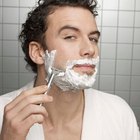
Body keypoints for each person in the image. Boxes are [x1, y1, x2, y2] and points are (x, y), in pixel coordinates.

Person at [0, 0, 139, 140]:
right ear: (38, 52)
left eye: (93, 39)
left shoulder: (119, 113)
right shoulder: (3, 114)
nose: (90, 49)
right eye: (70, 37)